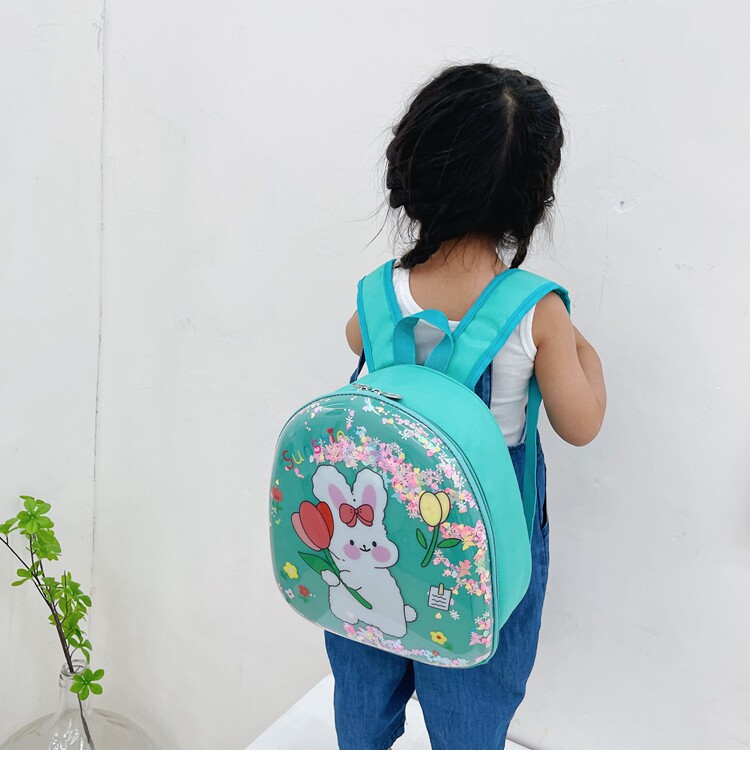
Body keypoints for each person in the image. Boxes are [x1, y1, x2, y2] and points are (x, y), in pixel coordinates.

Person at [324, 62, 606, 750]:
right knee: (475, 681)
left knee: (367, 649)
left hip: (380, 524)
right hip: (481, 538)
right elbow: (581, 423)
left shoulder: (382, 290)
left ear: (413, 175)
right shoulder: (534, 311)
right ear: (530, 198)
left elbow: (358, 340)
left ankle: (362, 740)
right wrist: (580, 350)